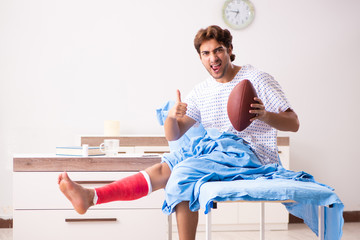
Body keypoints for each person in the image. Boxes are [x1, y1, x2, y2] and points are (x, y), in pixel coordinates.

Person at [58, 25, 299, 240]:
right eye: (206, 53)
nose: (213, 58)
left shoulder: (257, 78)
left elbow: (294, 123)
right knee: (166, 166)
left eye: (218, 50)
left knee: (183, 172)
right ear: (200, 58)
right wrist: (172, 116)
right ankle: (91, 197)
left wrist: (265, 115)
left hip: (251, 155)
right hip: (216, 151)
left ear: (229, 50)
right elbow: (173, 135)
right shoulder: (201, 91)